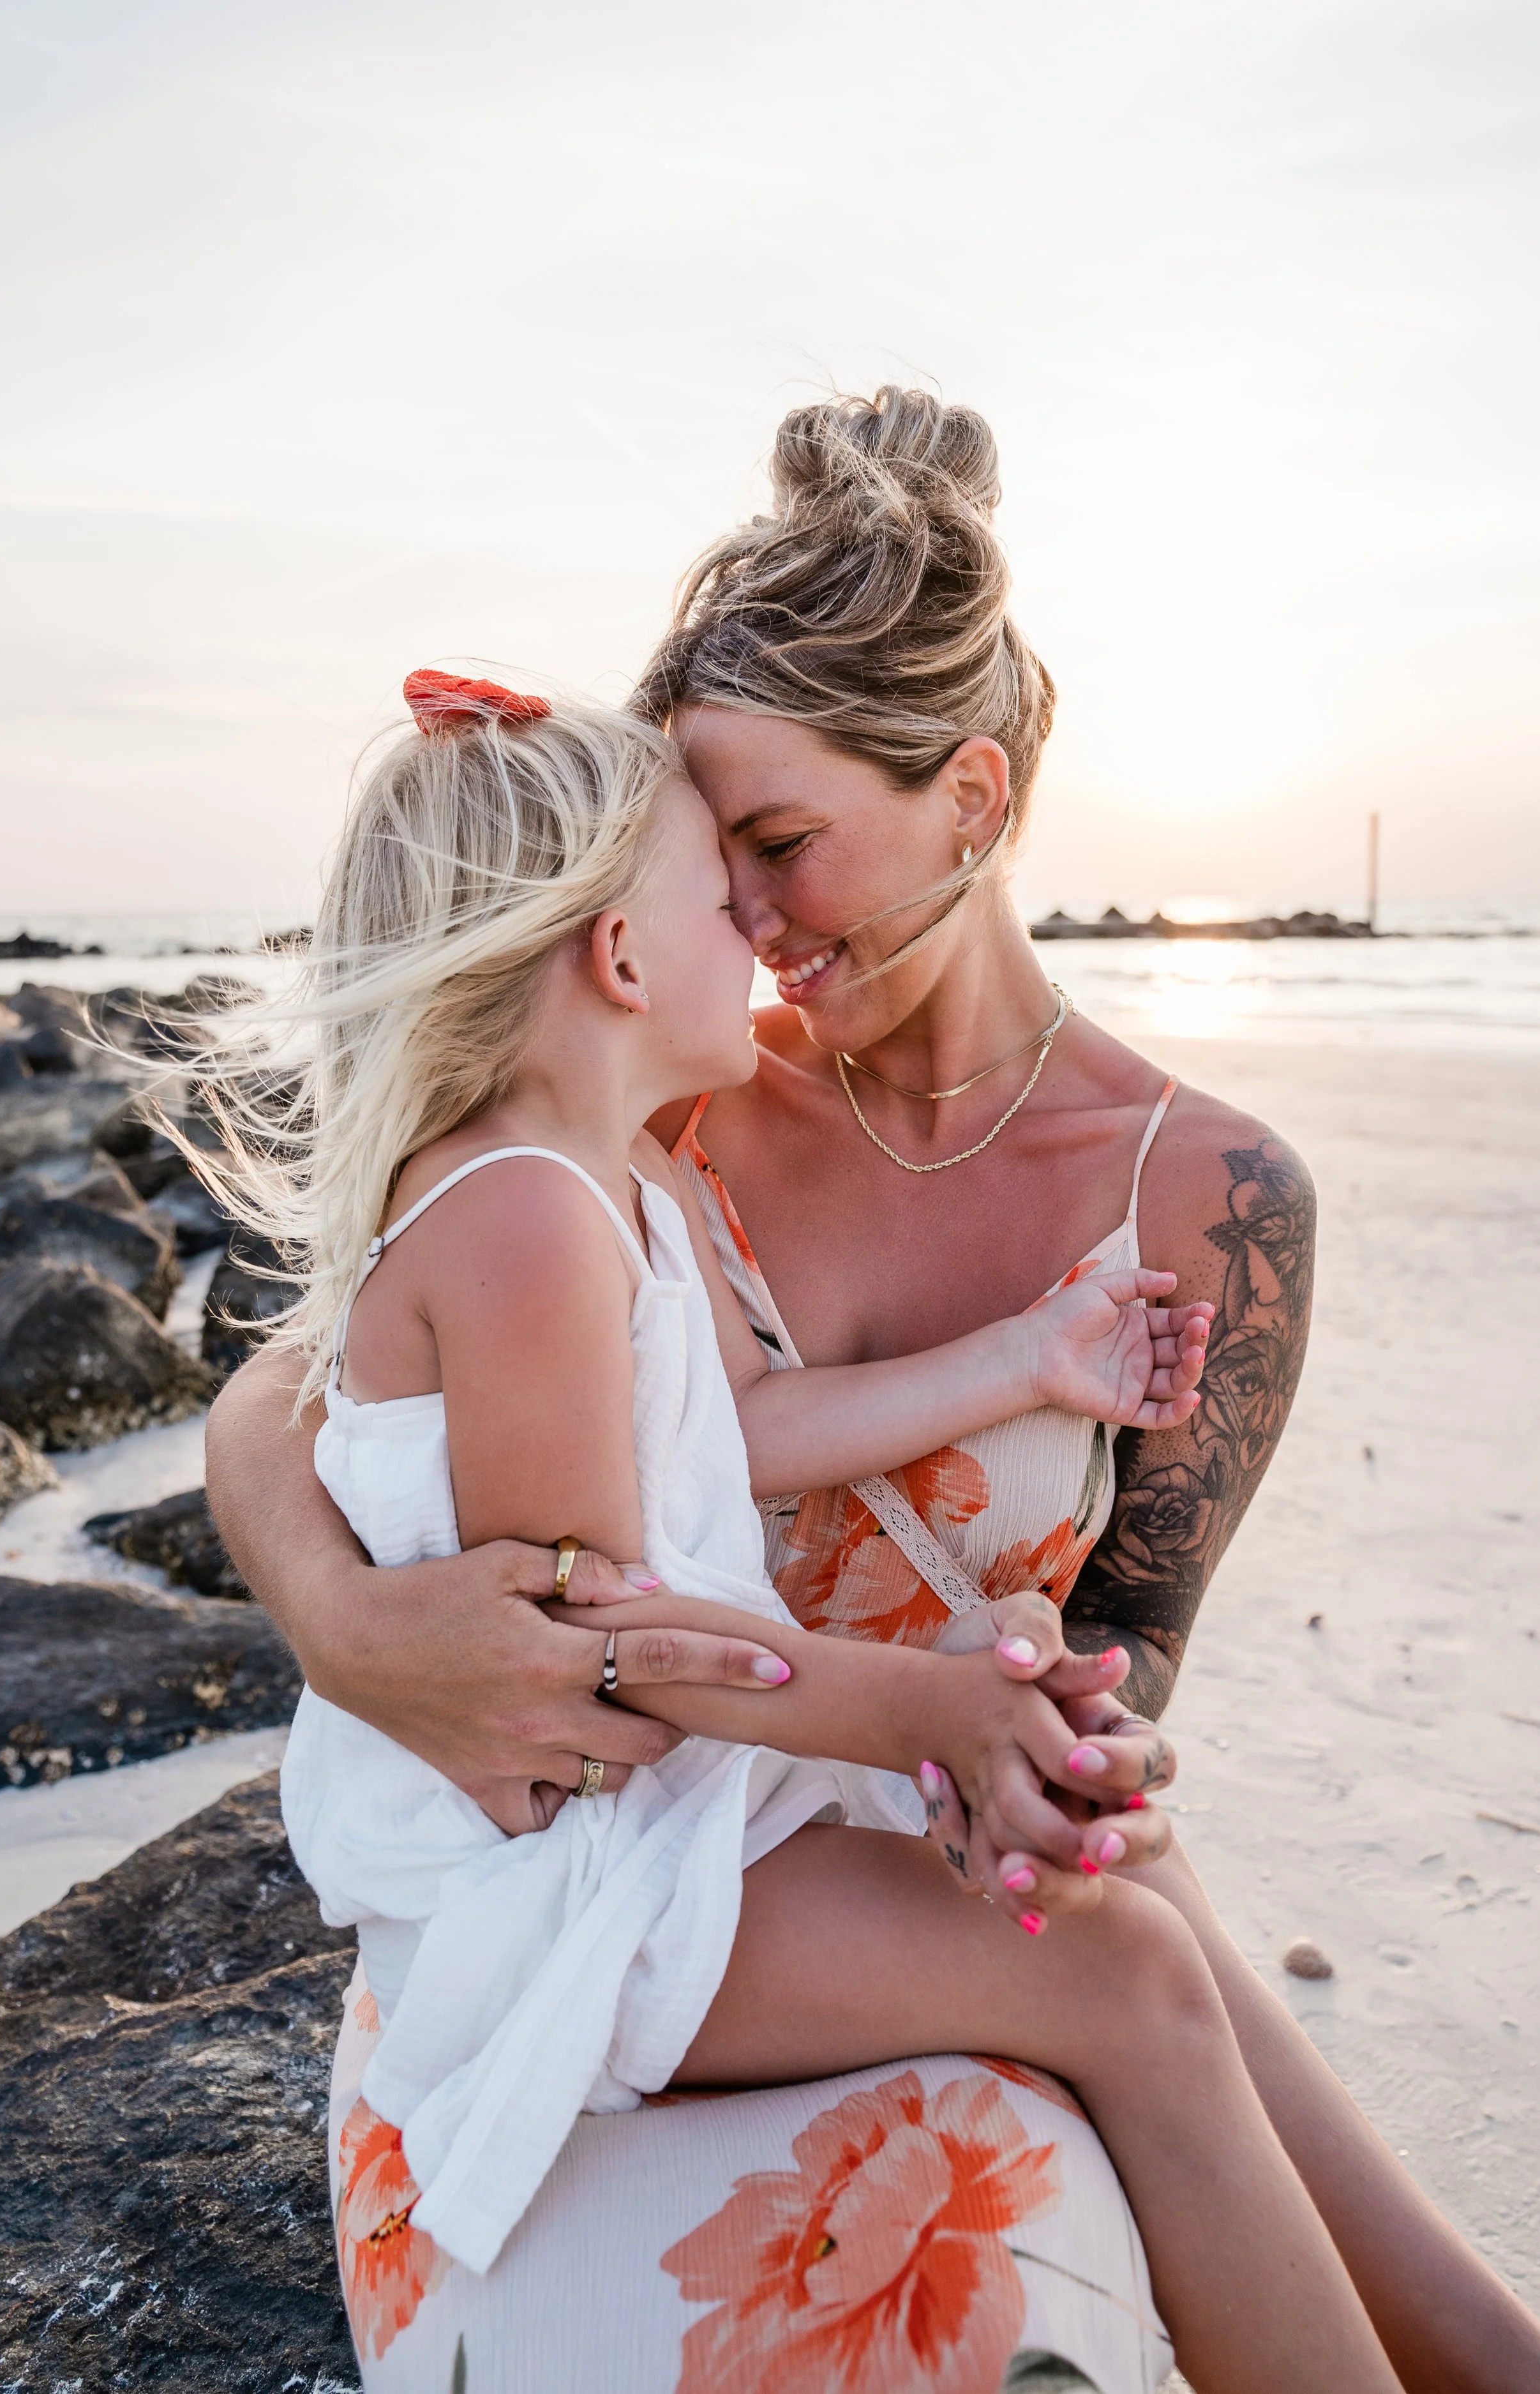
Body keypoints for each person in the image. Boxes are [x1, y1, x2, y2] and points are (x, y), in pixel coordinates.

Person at [207, 390, 1540, 2393]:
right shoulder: (644, 1116)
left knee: (1152, 1984)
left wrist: (1025, 1677)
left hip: (881, 1834)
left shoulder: (1209, 1195)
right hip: (635, 1886)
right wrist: (339, 1614)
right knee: (1014, 2215)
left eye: (781, 844)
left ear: (978, 798)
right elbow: (311, 1380)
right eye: (704, 852)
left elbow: (1108, 1699)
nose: (741, 912)